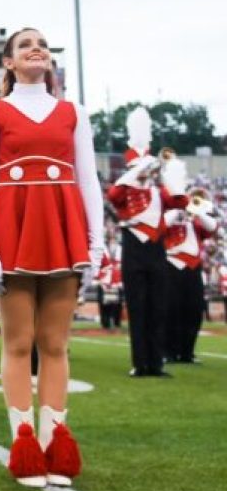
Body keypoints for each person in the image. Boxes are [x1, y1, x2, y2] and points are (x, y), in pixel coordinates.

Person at [0, 27, 104, 488]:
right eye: (25, 44)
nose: (36, 48)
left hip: (64, 228)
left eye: (42, 43)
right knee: (18, 342)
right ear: (8, 62)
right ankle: (23, 443)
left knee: (55, 343)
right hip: (13, 227)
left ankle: (55, 444)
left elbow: (88, 180)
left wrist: (97, 241)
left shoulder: (74, 113)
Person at [107, 108, 188, 377]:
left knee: (157, 307)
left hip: (155, 250)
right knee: (138, 307)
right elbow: (113, 195)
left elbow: (180, 201)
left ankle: (157, 362)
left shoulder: (157, 191)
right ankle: (140, 363)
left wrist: (174, 175)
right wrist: (134, 172)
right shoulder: (125, 189)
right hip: (133, 249)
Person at [164, 184, 218, 364]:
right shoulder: (171, 215)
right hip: (172, 265)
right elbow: (162, 224)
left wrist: (197, 210)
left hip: (193, 268)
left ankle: (187, 352)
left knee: (194, 310)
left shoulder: (196, 221)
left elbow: (212, 227)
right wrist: (179, 211)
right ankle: (169, 352)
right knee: (172, 310)